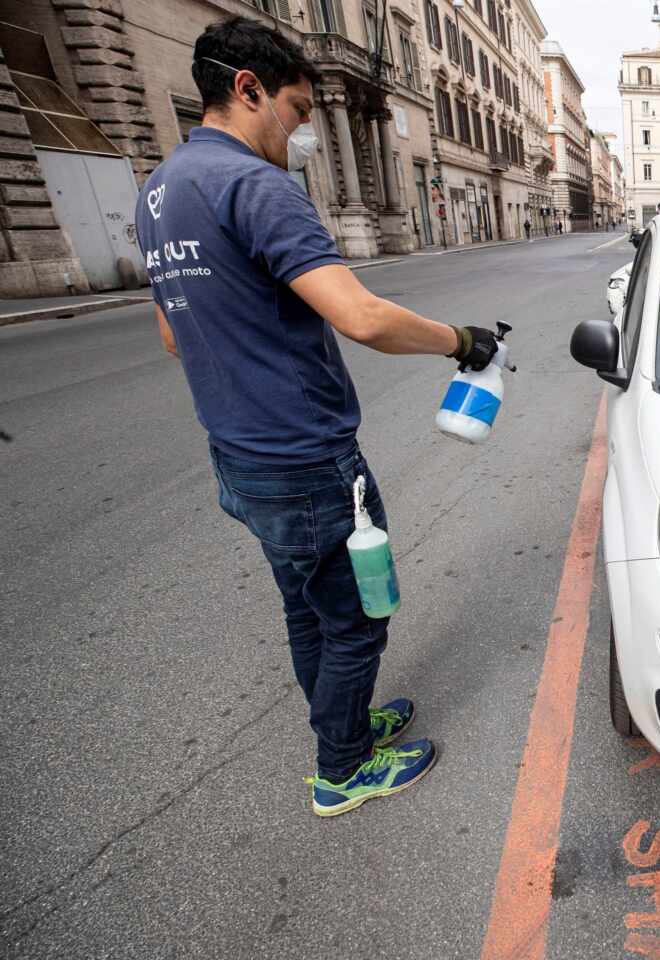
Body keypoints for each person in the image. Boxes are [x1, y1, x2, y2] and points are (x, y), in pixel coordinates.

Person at [136, 16, 501, 817]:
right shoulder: (257, 188)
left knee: (308, 608)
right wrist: (462, 342)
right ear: (248, 88)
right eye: (298, 111)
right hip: (304, 459)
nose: (302, 131)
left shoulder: (159, 193)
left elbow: (173, 335)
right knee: (358, 616)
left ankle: (343, 720)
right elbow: (363, 317)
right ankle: (342, 766)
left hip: (239, 456)